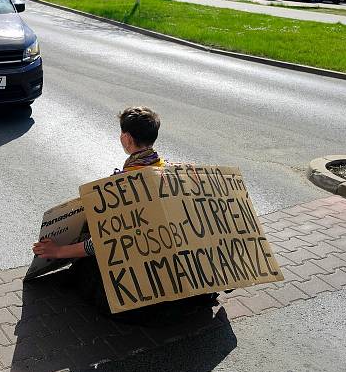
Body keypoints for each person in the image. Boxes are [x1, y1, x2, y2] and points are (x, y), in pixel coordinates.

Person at [32, 106, 218, 321]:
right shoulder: (170, 171)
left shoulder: (123, 186)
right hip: (174, 268)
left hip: (144, 278)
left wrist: (58, 252)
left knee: (87, 270)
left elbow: (102, 243)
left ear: (127, 138)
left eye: (122, 134)